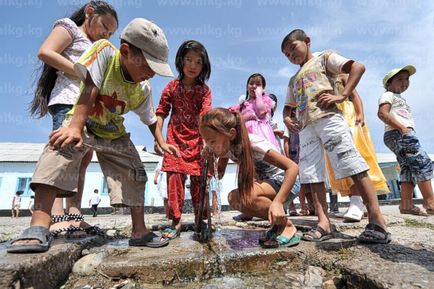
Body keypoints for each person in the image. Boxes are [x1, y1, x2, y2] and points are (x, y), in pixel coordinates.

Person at [7, 18, 175, 253]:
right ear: (125, 51)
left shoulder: (143, 89)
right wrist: (75, 127)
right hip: (84, 120)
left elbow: (149, 119)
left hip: (113, 133)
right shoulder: (105, 52)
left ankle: (139, 230)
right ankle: (38, 227)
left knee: (135, 172)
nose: (151, 74)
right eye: (147, 66)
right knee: (59, 149)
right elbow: (90, 87)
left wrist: (161, 141)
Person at [281, 29, 390, 244]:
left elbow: (357, 67)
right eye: (287, 54)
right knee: (312, 174)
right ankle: (324, 222)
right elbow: (288, 107)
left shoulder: (324, 58)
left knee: (352, 163)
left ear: (307, 41)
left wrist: (342, 94)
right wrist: (286, 118)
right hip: (306, 128)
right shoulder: (293, 79)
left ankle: (377, 220)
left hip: (329, 118)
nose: (292, 56)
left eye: (293, 48)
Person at [28, 1, 118, 236]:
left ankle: (75, 214)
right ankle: (54, 216)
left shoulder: (96, 46)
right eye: (105, 27)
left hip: (88, 107)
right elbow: (46, 52)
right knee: (62, 156)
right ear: (90, 12)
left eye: (110, 33)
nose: (106, 34)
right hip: (68, 100)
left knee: (83, 160)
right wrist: (83, 74)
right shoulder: (70, 27)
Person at [200, 108, 301, 248]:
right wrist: (210, 160)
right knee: (234, 198)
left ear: (231, 134)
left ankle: (287, 226)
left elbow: (293, 168)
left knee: (246, 195)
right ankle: (277, 226)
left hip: (287, 183)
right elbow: (220, 175)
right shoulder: (226, 148)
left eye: (211, 141)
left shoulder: (254, 144)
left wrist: (278, 202)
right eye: (206, 142)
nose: (209, 146)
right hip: (268, 186)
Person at [155, 40, 212, 240]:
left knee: (200, 182)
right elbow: (161, 113)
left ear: (204, 66)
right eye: (188, 60)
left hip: (197, 142)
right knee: (174, 182)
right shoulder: (171, 87)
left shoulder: (204, 90)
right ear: (180, 61)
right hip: (175, 142)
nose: (193, 65)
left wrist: (206, 142)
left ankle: (200, 220)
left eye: (198, 61)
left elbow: (205, 115)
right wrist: (160, 139)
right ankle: (175, 222)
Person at [326, 74, 389, 221]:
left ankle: (356, 203)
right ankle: (356, 203)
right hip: (331, 118)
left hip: (347, 115)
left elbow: (354, 95)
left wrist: (360, 114)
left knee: (352, 154)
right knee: (339, 160)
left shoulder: (341, 76)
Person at [378, 65, 434, 216]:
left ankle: (406, 205)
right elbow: (382, 113)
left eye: (407, 79)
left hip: (400, 133)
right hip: (398, 133)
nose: (404, 82)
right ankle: (430, 202)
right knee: (422, 162)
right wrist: (402, 128)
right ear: (388, 84)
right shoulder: (388, 95)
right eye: (400, 79)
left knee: (408, 168)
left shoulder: (401, 99)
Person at [229, 73, 280, 150]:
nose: (254, 86)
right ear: (247, 87)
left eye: (258, 84)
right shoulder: (242, 105)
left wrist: (259, 95)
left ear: (263, 89)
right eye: (251, 83)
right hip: (246, 134)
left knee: (264, 157)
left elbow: (262, 112)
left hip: (261, 133)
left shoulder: (265, 100)